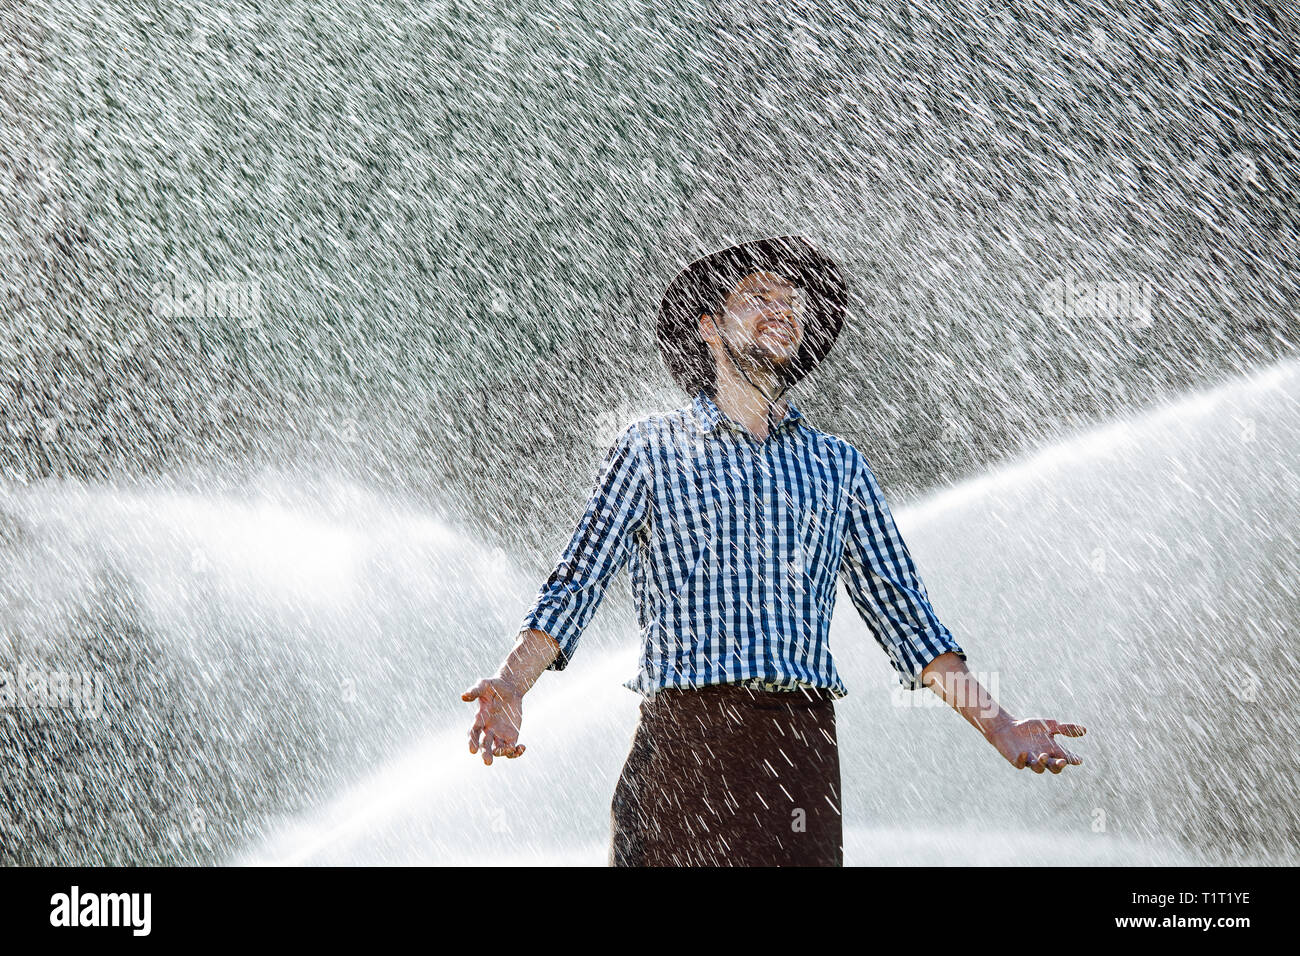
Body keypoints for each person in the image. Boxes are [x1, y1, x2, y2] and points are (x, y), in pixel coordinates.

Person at [462, 235, 1086, 866]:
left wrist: (1000, 723)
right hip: (686, 742)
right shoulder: (649, 450)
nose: (784, 306)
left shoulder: (837, 466)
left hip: (801, 750)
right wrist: (513, 685)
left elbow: (909, 622)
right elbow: (577, 584)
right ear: (709, 326)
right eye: (758, 294)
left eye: (793, 297)